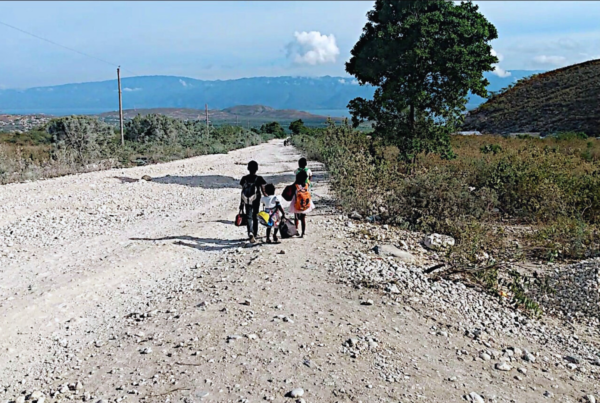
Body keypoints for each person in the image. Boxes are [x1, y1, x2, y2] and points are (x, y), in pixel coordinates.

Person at [239, 160, 267, 243]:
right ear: (257, 169)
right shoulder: (259, 179)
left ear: (248, 168)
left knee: (249, 216)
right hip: (256, 200)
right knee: (255, 216)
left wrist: (241, 203)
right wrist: (268, 198)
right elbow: (263, 191)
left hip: (246, 200)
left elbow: (243, 190)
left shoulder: (244, 178)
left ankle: (250, 232)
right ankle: (255, 233)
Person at [288, 170, 315, 238]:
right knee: (303, 218)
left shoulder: (295, 185)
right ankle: (303, 233)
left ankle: (296, 229)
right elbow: (309, 180)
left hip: (296, 203)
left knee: (296, 217)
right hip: (304, 204)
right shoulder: (306, 185)